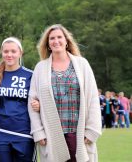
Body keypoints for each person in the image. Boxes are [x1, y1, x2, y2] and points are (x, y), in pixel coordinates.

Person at [28, 24, 101, 162]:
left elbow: (93, 99)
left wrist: (92, 130)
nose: (56, 41)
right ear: (48, 44)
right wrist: (38, 132)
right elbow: (32, 102)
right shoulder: (40, 68)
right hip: (52, 136)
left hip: (78, 134)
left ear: (66, 41)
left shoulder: (82, 64)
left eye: (59, 37)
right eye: (52, 38)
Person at [0, 37, 37, 162]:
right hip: (0, 133)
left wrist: (39, 105)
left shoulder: (32, 76)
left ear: (20, 53)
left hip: (24, 134)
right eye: (6, 51)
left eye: (13, 51)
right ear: (2, 53)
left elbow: (41, 99)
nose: (9, 55)